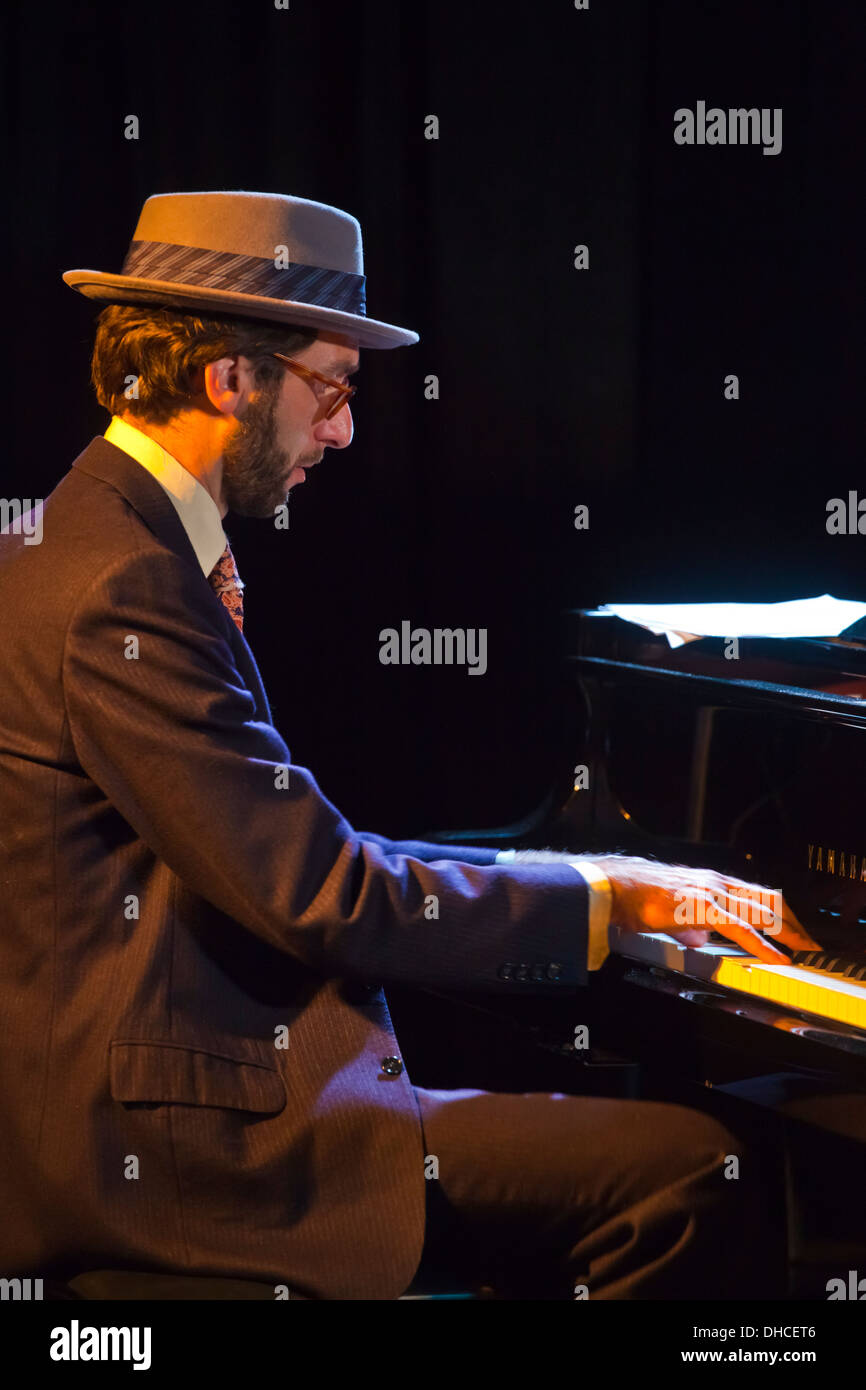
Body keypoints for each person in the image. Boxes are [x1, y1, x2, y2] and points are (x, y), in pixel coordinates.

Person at [0, 191, 817, 1300]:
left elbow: (289, 852)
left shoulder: (86, 536)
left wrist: (588, 881)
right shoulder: (123, 587)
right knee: (693, 1172)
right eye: (330, 389)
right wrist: (603, 900)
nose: (340, 431)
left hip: (163, 1101)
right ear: (228, 378)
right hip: (173, 1154)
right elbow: (321, 892)